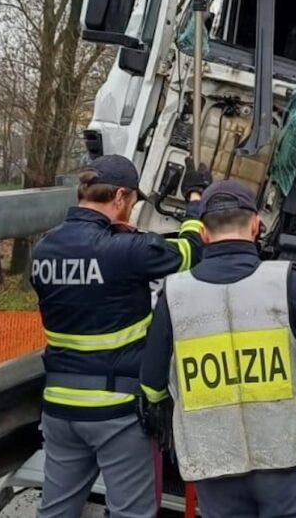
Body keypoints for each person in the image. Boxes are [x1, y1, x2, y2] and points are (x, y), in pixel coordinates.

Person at [139, 179, 296, 518]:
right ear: (257, 226)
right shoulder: (289, 283)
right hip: (283, 462)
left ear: (202, 234)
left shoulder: (173, 295)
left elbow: (152, 388)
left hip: (213, 466)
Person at [31, 154, 211, 518]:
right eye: (132, 202)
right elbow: (191, 252)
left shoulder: (43, 251)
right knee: (131, 513)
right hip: (114, 411)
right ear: (119, 197)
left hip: (59, 408)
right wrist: (195, 201)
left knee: (56, 511)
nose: (130, 209)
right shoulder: (127, 251)